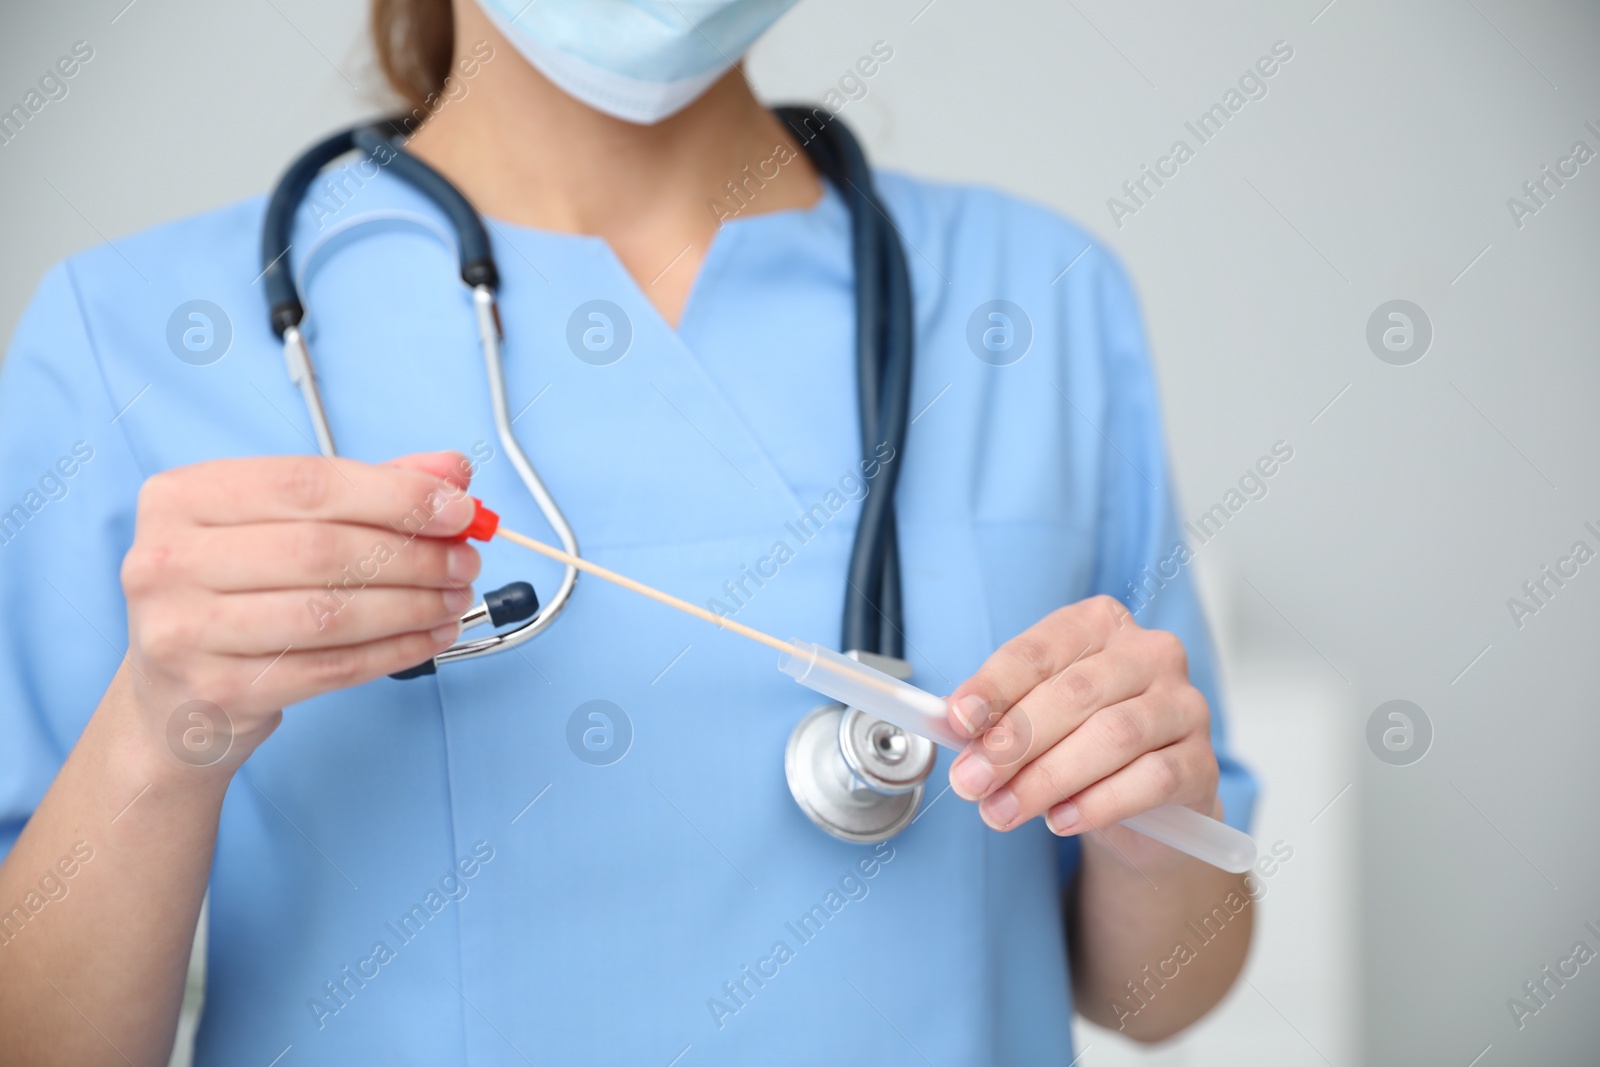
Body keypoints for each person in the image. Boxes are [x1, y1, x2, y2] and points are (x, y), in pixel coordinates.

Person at [0, 1, 1258, 1063]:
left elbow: (1166, 995)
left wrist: (1152, 815)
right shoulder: (135, 337)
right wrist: (159, 739)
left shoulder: (1032, 297)